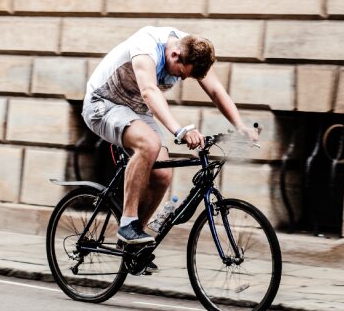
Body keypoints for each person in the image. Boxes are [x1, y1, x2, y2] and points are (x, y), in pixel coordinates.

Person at [82, 25, 259, 246]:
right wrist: (180, 130)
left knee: (162, 175)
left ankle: (135, 240)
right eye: (182, 74)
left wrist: (240, 125)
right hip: (103, 105)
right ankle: (127, 223)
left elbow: (215, 91)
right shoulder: (146, 45)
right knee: (149, 143)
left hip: (136, 110)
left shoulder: (194, 49)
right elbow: (149, 91)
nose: (182, 79)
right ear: (174, 54)